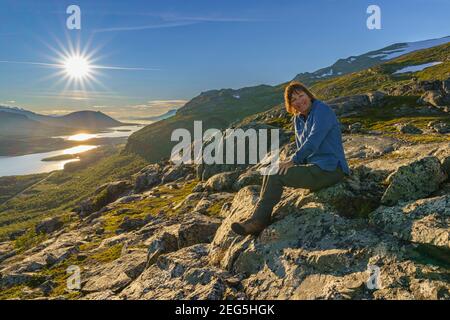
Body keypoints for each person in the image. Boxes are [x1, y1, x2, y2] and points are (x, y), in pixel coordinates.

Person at [231, 81, 350, 236]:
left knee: (275, 175)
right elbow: (301, 146)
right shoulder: (298, 119)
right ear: (290, 104)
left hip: (331, 169)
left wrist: (292, 161)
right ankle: (258, 216)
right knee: (272, 170)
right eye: (293, 100)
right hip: (314, 168)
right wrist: (291, 164)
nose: (299, 101)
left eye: (301, 96)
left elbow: (313, 141)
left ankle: (258, 221)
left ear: (309, 95)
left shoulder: (322, 110)